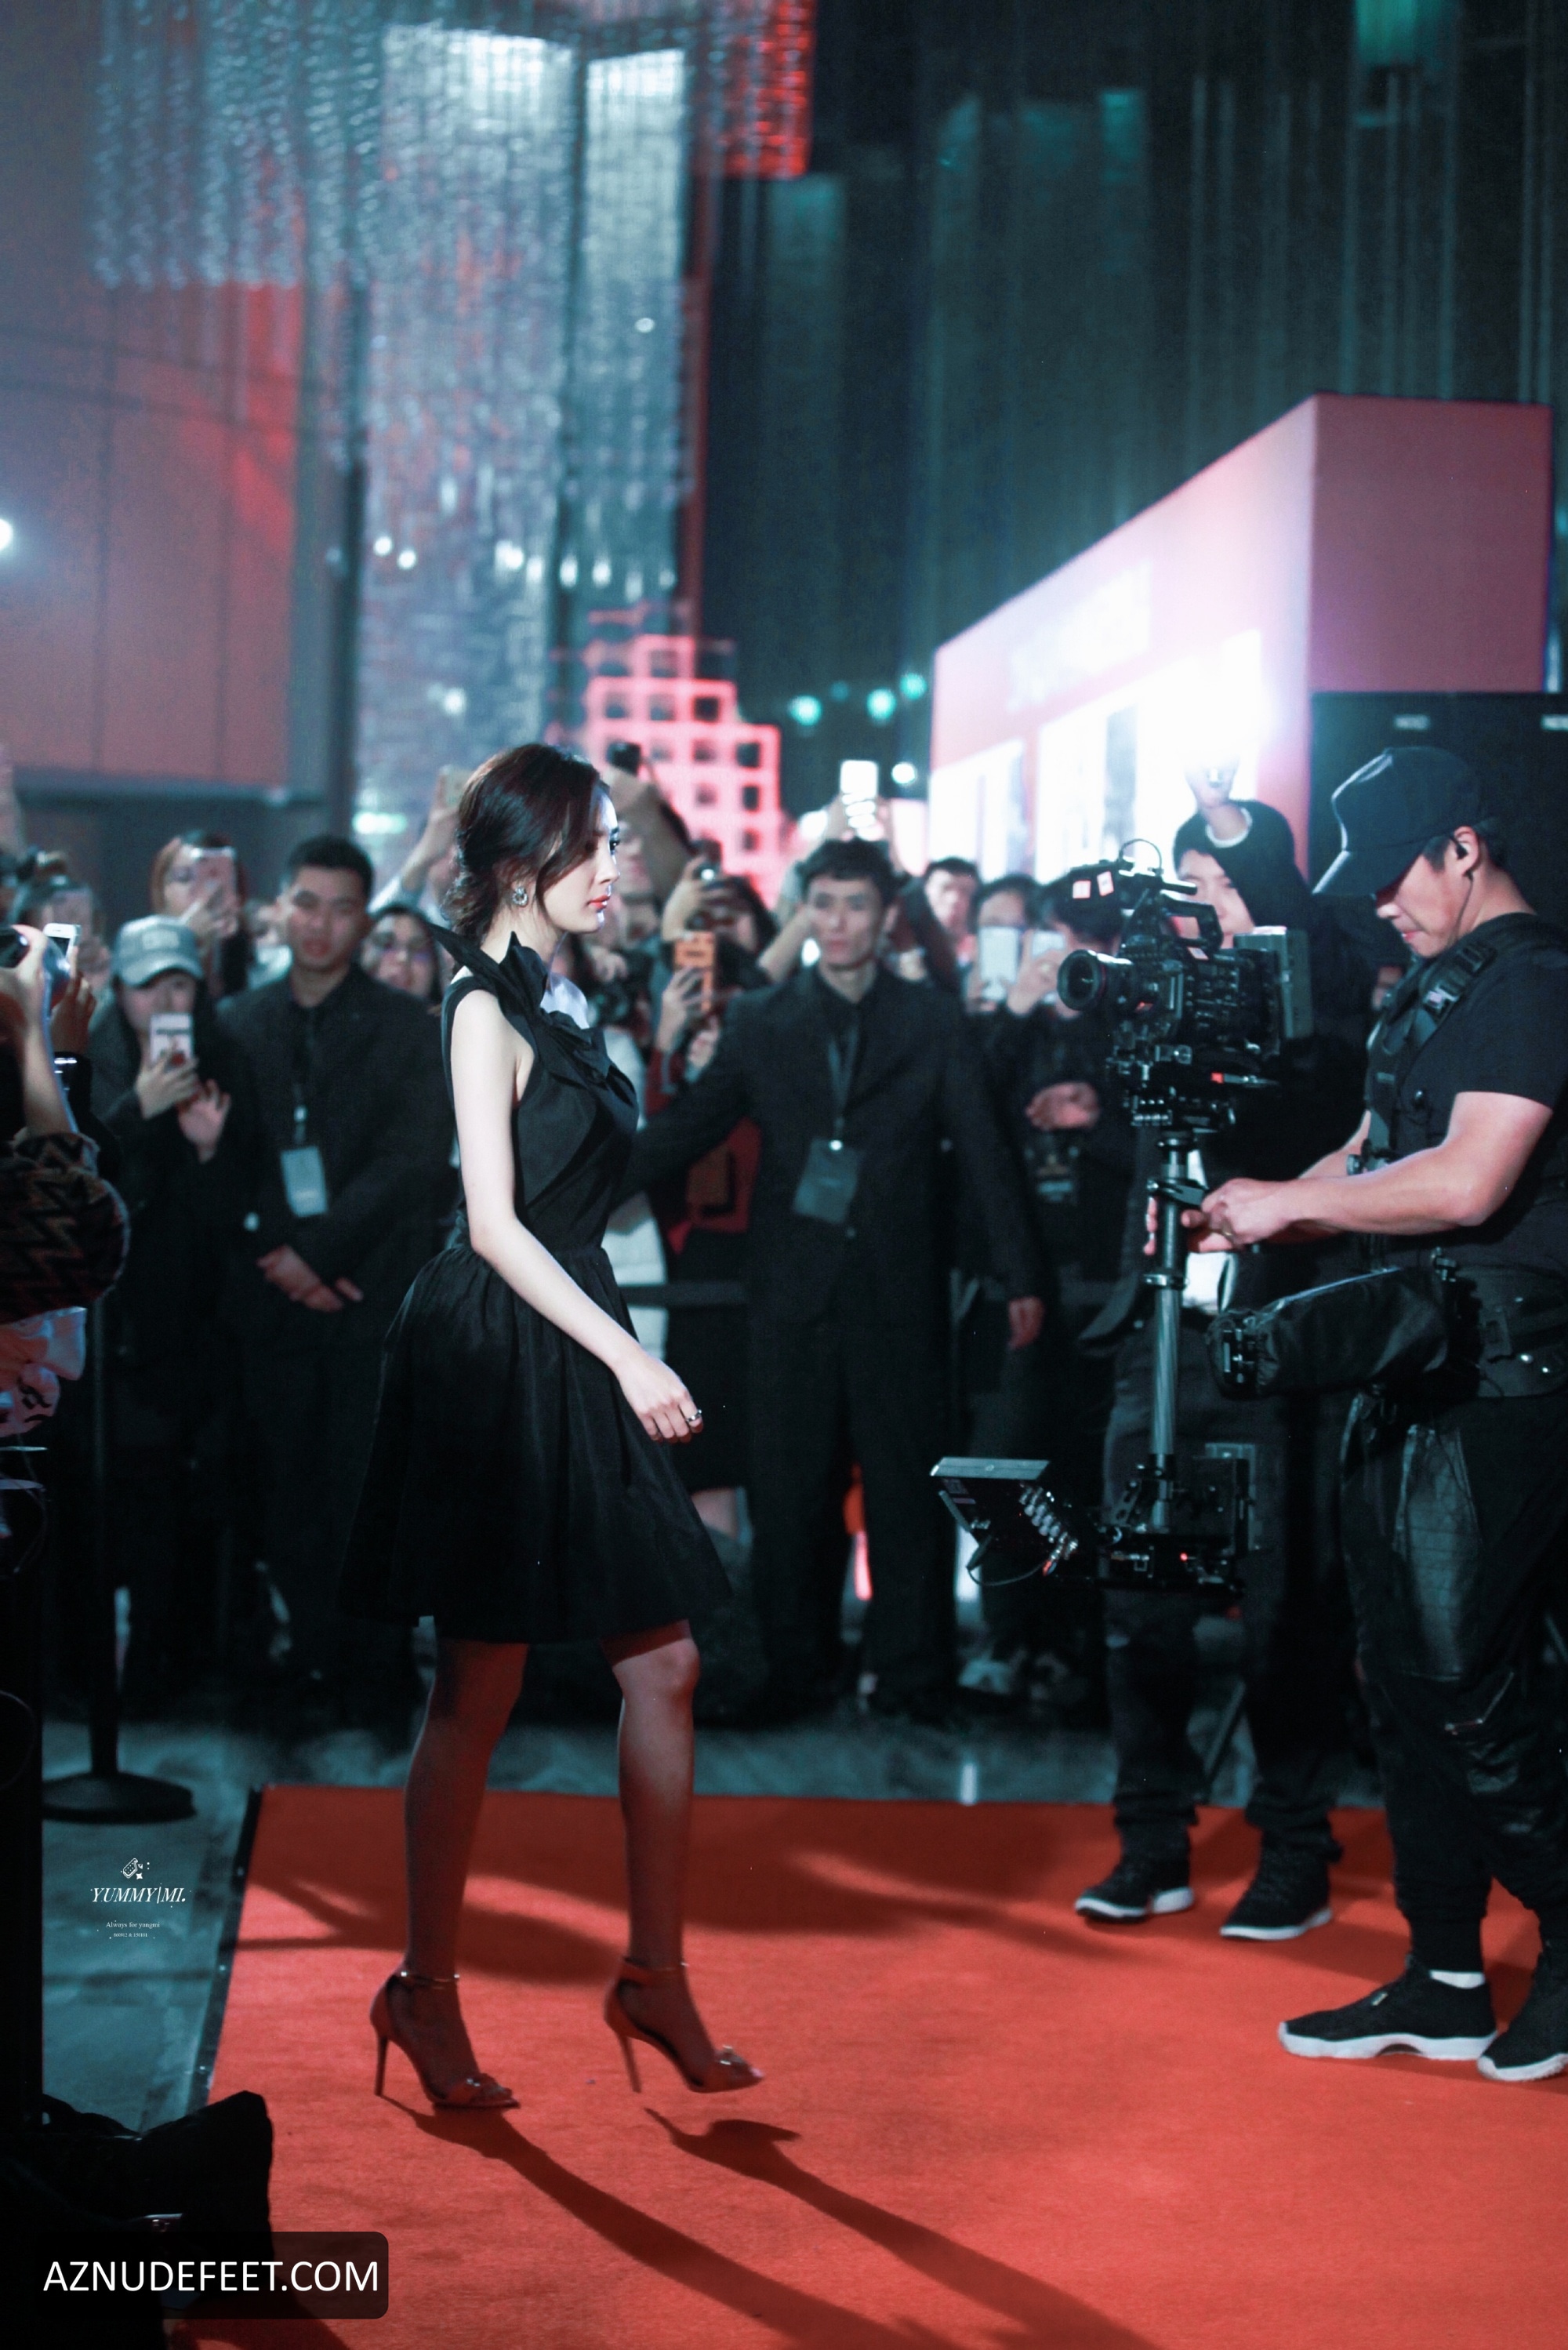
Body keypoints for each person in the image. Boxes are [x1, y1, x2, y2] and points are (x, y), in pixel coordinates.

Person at [339, 743, 757, 2111]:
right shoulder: (479, 1004)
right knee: (480, 1683)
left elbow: (603, 1172)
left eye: (618, 843)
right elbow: (493, 1224)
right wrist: (629, 1353)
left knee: (666, 1665)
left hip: (573, 1328)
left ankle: (655, 1976)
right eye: (598, 843)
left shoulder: (570, 995)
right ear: (524, 862)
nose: (619, 864)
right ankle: (425, 1987)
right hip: (499, 1346)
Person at [1188, 747, 1568, 2083]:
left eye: (1398, 876)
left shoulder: (1534, 982)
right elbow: (1370, 1150)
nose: (1379, 906)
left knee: (1466, 1680)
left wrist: (1293, 1204)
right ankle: (1445, 1972)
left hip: (1506, 1381)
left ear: (1465, 848)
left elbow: (1465, 1182)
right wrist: (1255, 1203)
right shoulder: (1437, 985)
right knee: (1400, 1684)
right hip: (1412, 1363)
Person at [622, 836, 1045, 1723]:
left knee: (904, 1491)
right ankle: (795, 1672)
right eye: (824, 904)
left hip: (899, 1288)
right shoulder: (761, 1017)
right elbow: (692, 1128)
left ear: (885, 914)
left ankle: (912, 1676)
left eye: (856, 905)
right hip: (790, 1291)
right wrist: (574, 1186)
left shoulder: (932, 1019)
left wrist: (1019, 1273)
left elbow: (983, 1150)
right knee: (789, 1492)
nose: (839, 922)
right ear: (804, 911)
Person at [1074, 819, 1369, 1935]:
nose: (1198, 918)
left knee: (1284, 1609)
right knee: (1138, 1602)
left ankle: (1293, 1847)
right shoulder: (1160, 1015)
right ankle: (1150, 1843)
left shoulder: (1320, 1039)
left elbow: (1312, 1111)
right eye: (1186, 891)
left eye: (1221, 891)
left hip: (1276, 1349)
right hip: (1162, 1340)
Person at [220, 836, 452, 1723]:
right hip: (269, 1296)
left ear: (365, 919)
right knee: (284, 1490)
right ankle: (308, 1662)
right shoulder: (235, 1020)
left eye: (341, 907)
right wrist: (288, 1257)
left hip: (369, 1293)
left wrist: (319, 1257)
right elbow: (232, 1158)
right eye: (305, 903)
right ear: (281, 909)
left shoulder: (404, 1025)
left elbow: (410, 1161)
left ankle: (376, 1673)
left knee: (370, 1489)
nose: (320, 924)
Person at [84, 919, 254, 1709]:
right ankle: (94, 1676)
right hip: (107, 1332)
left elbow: (232, 1212)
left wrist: (210, 1148)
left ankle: (167, 1670)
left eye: (179, 984)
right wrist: (137, 1109)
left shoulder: (224, 1061)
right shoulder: (89, 1065)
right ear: (120, 992)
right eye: (148, 985)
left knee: (180, 1506)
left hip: (193, 1328)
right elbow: (73, 1184)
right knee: (112, 1505)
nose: (164, 1001)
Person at [150, 832, 252, 1000]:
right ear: (163, 890)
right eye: (184, 878)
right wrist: (184, 944)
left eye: (213, 877)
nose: (201, 892)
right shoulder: (143, 959)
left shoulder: (261, 966)